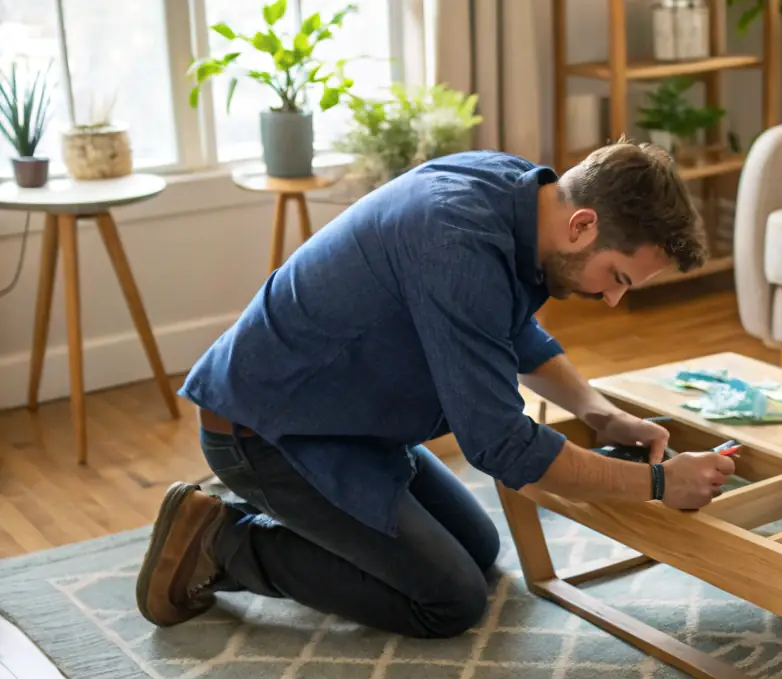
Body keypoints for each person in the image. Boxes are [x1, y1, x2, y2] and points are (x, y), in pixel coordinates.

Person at [134, 141, 737, 638]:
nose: (612, 298)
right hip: (269, 431)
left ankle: (297, 528)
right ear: (583, 225)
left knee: (476, 551)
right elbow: (502, 446)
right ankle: (223, 540)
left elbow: (510, 330)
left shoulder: (518, 194)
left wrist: (600, 414)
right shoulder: (457, 243)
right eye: (618, 277)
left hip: (348, 420)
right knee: (449, 601)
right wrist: (659, 484)